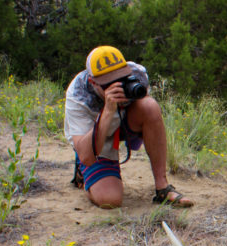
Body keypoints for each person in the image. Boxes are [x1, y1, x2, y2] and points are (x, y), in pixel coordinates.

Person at [64, 46, 194, 209]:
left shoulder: (137, 74)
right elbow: (87, 156)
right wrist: (108, 111)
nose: (117, 85)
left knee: (150, 106)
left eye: (121, 78)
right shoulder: (78, 95)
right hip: (94, 135)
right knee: (110, 200)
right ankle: (84, 175)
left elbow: (145, 114)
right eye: (108, 83)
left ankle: (163, 188)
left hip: (122, 122)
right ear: (92, 81)